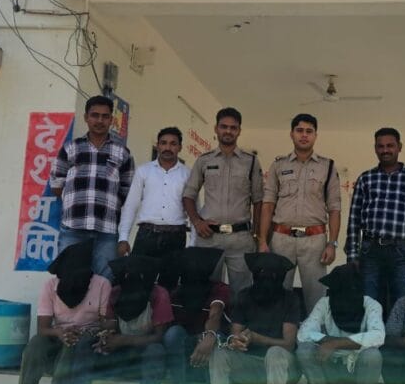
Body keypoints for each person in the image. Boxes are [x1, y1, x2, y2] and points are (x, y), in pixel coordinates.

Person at [0, 240, 111, 384]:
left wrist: (92, 332)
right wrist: (59, 332)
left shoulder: (101, 284)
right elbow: (43, 328)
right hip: (57, 335)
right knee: (34, 346)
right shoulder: (51, 285)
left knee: (71, 348)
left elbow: (106, 322)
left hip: (86, 339)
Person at [190, 253, 300, 384]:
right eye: (262, 274)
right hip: (251, 365)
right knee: (220, 354)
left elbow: (288, 343)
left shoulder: (290, 299)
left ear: (280, 278)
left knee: (276, 353)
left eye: (272, 275)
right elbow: (235, 334)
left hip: (284, 368)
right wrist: (236, 342)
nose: (266, 279)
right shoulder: (245, 295)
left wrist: (258, 338)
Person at [345, 127, 405, 317]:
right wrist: (352, 254)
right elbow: (354, 219)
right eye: (380, 146)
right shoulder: (365, 178)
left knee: (403, 303)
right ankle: (372, 335)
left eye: (390, 145)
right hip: (370, 251)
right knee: (369, 302)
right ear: (375, 148)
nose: (385, 150)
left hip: (402, 252)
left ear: (399, 147)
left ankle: (399, 337)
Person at [259, 113, 342, 314]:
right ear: (291, 134)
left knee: (316, 297)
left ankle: (314, 332)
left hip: (314, 241)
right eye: (299, 130)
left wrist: (332, 243)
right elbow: (268, 205)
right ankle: (279, 332)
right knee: (277, 293)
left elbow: (334, 208)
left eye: (309, 131)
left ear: (315, 135)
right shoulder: (279, 165)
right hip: (281, 239)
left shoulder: (328, 166)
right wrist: (262, 241)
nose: (304, 135)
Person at [50, 95, 135, 279]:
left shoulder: (122, 153)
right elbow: (57, 184)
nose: (99, 120)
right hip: (73, 226)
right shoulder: (70, 148)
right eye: (95, 115)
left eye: (105, 116)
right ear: (86, 118)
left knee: (104, 281)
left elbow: (127, 191)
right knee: (68, 278)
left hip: (107, 230)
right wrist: (75, 202)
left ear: (111, 120)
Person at [183, 107, 263, 293]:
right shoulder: (204, 160)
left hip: (241, 238)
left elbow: (258, 200)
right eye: (224, 126)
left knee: (242, 292)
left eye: (233, 128)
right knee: (207, 291)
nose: (228, 131)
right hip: (209, 238)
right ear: (216, 128)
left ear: (239, 131)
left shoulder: (251, 161)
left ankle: (236, 315)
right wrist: (197, 222)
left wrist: (257, 235)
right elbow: (188, 195)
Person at [296, 264, 384, 384]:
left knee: (373, 355)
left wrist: (336, 343)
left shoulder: (371, 305)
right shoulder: (325, 303)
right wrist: (326, 341)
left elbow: (378, 336)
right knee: (304, 350)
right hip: (329, 367)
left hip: (359, 372)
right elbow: (303, 333)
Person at [101, 255, 175, 384]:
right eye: (127, 275)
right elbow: (110, 328)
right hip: (121, 356)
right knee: (83, 349)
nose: (131, 278)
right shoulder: (115, 293)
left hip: (146, 354)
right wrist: (106, 338)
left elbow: (158, 336)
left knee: (156, 352)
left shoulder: (158, 294)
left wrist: (124, 340)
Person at [153, 246, 231, 384]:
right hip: (187, 344)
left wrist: (209, 335)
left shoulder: (219, 288)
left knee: (217, 339)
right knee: (172, 334)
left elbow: (215, 313)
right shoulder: (177, 292)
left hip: (212, 338)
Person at [117, 126, 190, 290]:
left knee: (168, 288)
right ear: (157, 145)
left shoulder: (187, 174)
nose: (167, 147)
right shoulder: (144, 171)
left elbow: (194, 210)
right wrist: (123, 238)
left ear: (180, 147)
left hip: (176, 238)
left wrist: (192, 244)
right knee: (136, 286)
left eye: (173, 144)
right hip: (146, 236)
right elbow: (131, 205)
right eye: (163, 143)